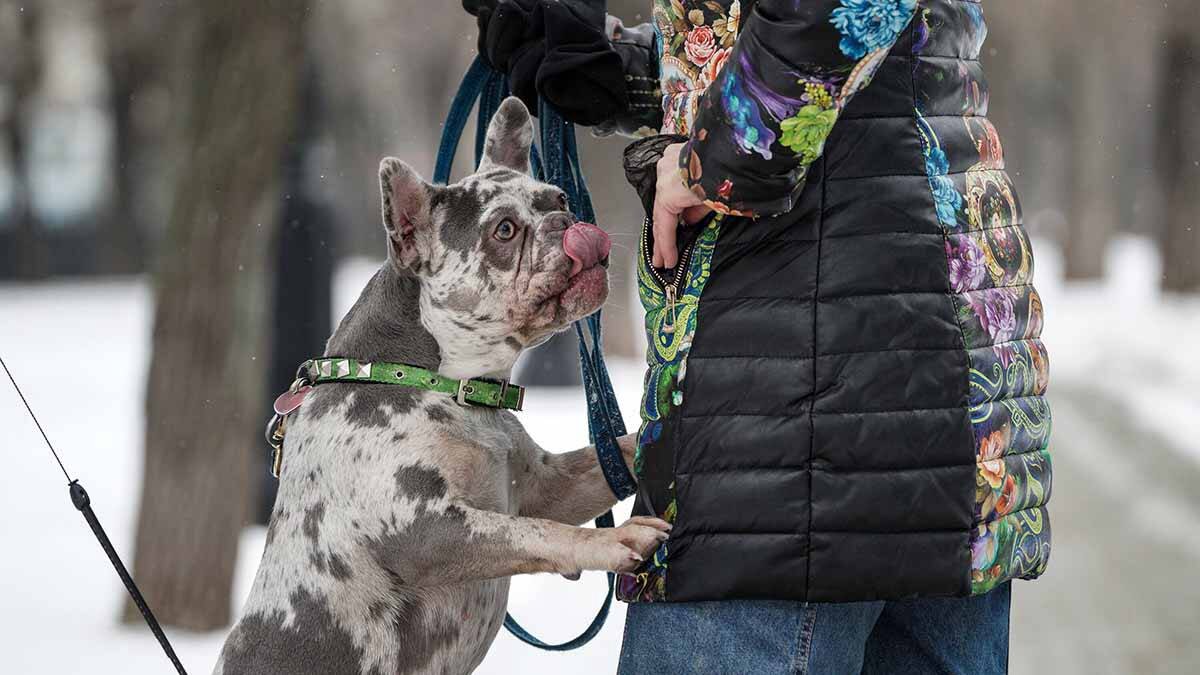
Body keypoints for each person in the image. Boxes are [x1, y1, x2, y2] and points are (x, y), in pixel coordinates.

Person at [469, 1, 1051, 672]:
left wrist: (708, 162)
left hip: (789, 414)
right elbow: (846, 55)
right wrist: (606, 66)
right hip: (917, 385)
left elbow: (833, 14)